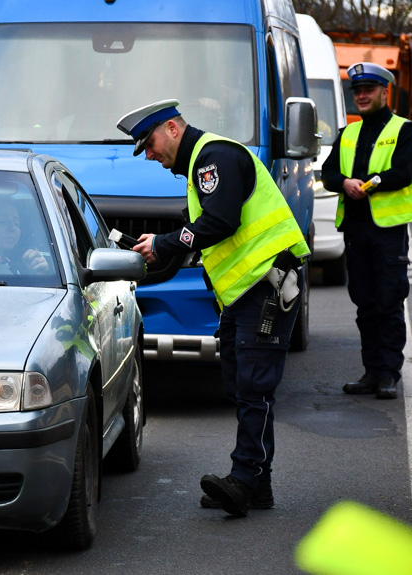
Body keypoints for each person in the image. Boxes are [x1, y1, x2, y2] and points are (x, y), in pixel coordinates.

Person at [118, 99, 310, 517]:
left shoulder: (214, 157)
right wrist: (154, 249)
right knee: (242, 385)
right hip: (245, 293)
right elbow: (203, 234)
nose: (150, 155)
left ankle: (242, 481)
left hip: (267, 285)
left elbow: (219, 222)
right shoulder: (198, 168)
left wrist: (166, 243)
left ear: (171, 128)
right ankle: (259, 485)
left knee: (254, 386)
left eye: (149, 144)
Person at [321, 62, 412, 401]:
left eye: (367, 90)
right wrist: (343, 182)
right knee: (364, 304)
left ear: (383, 92)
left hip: (387, 232)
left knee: (389, 302)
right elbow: (329, 173)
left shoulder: (404, 130)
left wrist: (369, 185)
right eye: (357, 91)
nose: (361, 95)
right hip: (356, 231)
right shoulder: (348, 133)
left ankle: (389, 373)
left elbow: (404, 171)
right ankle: (371, 372)